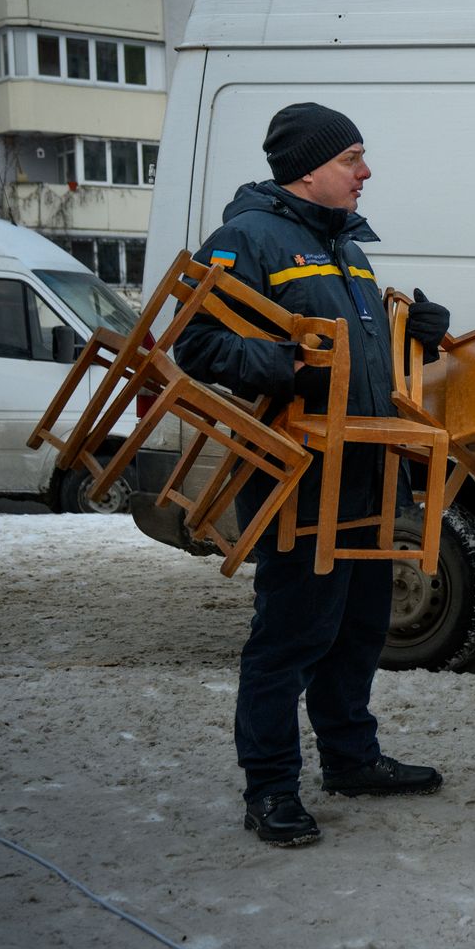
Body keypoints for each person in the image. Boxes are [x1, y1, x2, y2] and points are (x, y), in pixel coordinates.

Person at [176, 102, 453, 848]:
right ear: (308, 167)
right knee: (292, 633)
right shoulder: (246, 240)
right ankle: (269, 787)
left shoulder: (351, 250)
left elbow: (367, 358)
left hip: (365, 465)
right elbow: (194, 343)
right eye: (353, 159)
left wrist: (418, 337)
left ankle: (351, 757)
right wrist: (282, 366)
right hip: (299, 474)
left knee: (360, 626)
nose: (366, 173)